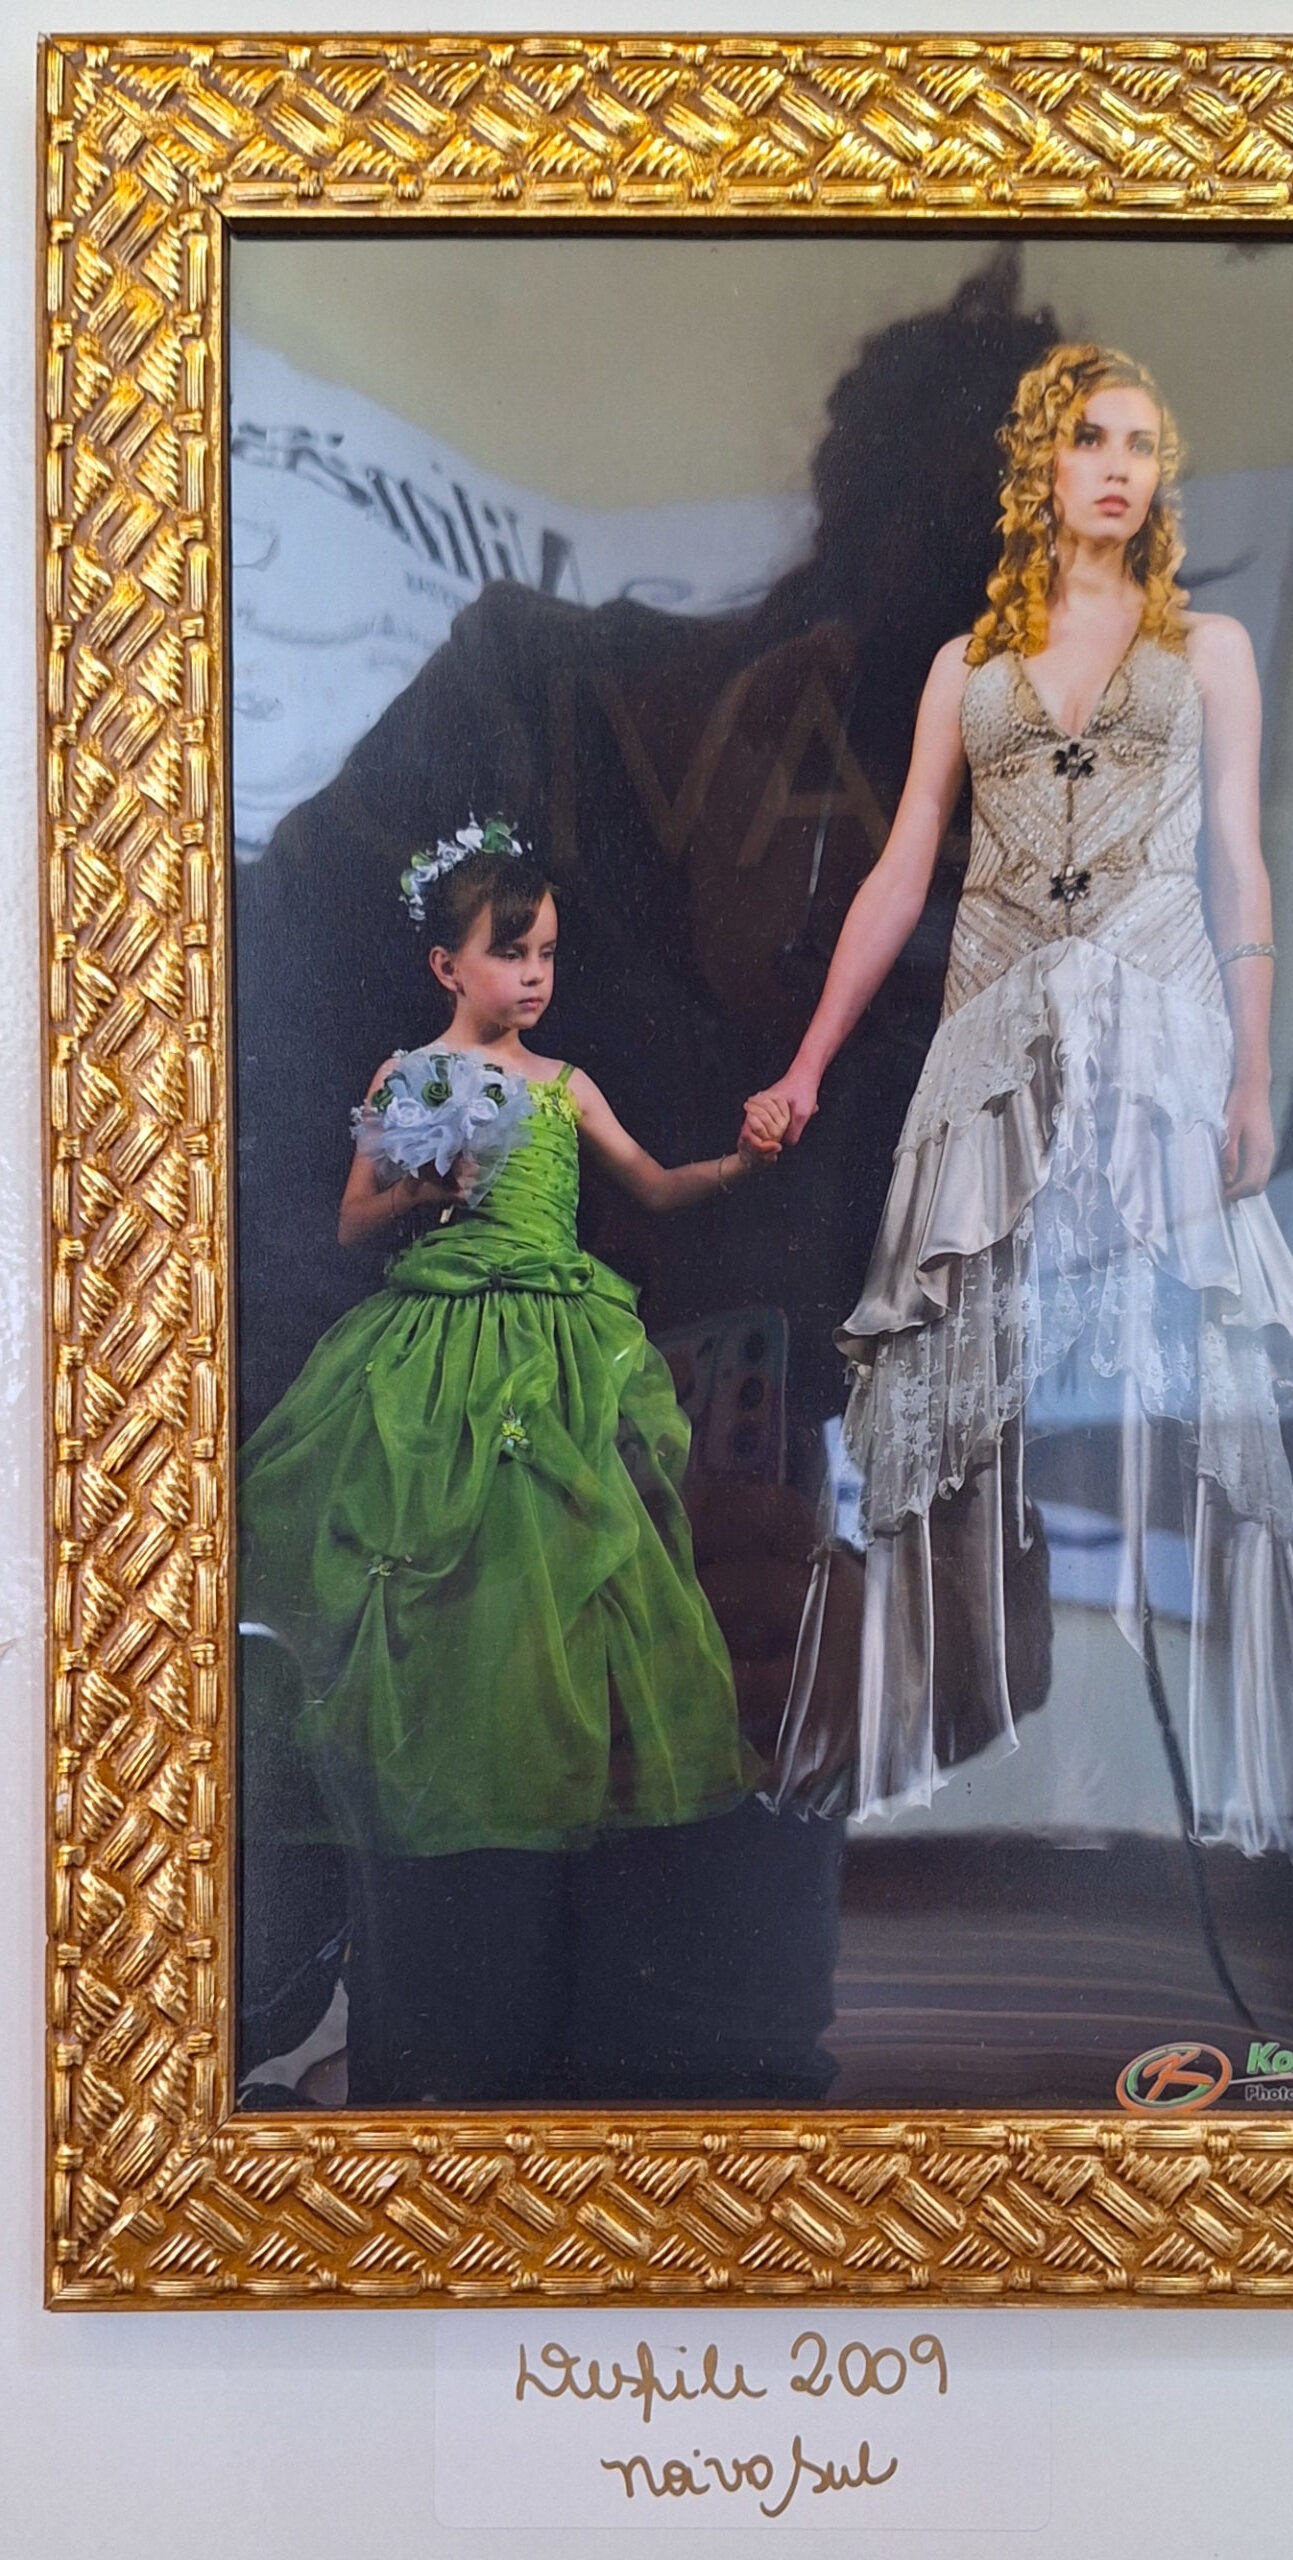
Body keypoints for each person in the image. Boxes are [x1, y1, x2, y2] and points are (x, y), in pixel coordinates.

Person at [743, 342, 1293, 1863]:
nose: (1117, 467)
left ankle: (1190, 1790)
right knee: (962, 1383)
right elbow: (903, 868)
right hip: (993, 1034)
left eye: (1141, 445)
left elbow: (1238, 859)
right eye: (1091, 439)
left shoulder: (1208, 648)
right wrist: (808, 1062)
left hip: (1155, 1033)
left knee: (1170, 1388)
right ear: (1042, 462)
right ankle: (948, 1768)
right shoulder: (964, 666)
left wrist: (1252, 1069)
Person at [239, 827, 788, 2100]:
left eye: (547, 954)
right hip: (436, 1349)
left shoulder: (564, 1083)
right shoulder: (412, 1075)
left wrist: (739, 1164)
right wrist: (431, 1188)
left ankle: (532, 1909)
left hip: (554, 1348)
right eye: (511, 954)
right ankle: (426, 1901)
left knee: (555, 1583)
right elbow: (354, 1218)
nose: (535, 976)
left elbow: (653, 1187)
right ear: (448, 965)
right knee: (431, 1581)